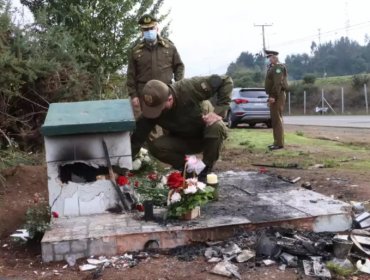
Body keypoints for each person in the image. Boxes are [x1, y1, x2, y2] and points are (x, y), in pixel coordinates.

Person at [131, 75, 233, 181]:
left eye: (159, 108)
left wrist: (218, 113)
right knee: (157, 146)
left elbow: (225, 80)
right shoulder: (152, 111)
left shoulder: (188, 87)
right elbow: (136, 140)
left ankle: (205, 170)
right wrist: (119, 169)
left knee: (216, 126)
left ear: (169, 99)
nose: (155, 113)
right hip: (183, 140)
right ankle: (188, 169)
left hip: (207, 136)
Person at [126, 14, 185, 119]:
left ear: (157, 27)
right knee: (146, 129)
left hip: (166, 94)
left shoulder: (169, 47)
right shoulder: (136, 51)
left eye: (151, 28)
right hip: (144, 97)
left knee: (170, 125)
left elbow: (179, 67)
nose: (149, 31)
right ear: (141, 31)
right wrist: (133, 96)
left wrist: (177, 88)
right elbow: (131, 75)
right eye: (146, 29)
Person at [264, 50, 288, 150]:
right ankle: (277, 141)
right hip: (275, 94)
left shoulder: (278, 67)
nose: (269, 59)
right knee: (275, 119)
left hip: (277, 95)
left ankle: (279, 143)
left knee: (277, 119)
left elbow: (277, 83)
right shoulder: (273, 67)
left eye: (270, 57)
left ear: (274, 57)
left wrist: (273, 96)